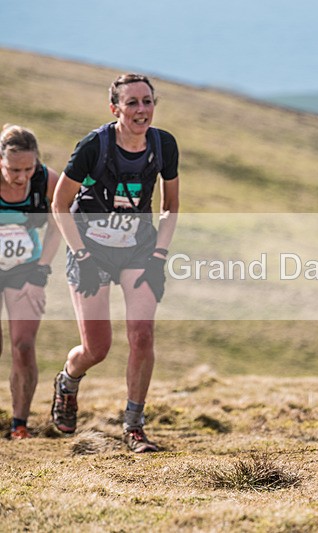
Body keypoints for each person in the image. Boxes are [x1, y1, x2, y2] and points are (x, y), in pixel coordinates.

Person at [50, 74, 180, 452]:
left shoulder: (163, 144)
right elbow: (60, 205)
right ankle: (68, 380)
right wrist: (82, 256)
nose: (142, 110)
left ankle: (134, 426)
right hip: (90, 248)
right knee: (98, 348)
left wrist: (159, 255)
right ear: (115, 108)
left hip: (138, 249)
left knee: (142, 335)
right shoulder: (94, 146)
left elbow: (170, 205)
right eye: (132, 103)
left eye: (147, 101)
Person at [0, 125, 61, 440]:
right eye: (13, 169)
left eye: (28, 168)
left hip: (25, 268)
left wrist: (40, 272)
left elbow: (59, 222)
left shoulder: (46, 180)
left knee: (23, 345)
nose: (21, 176)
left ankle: (19, 424)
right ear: (1, 161)